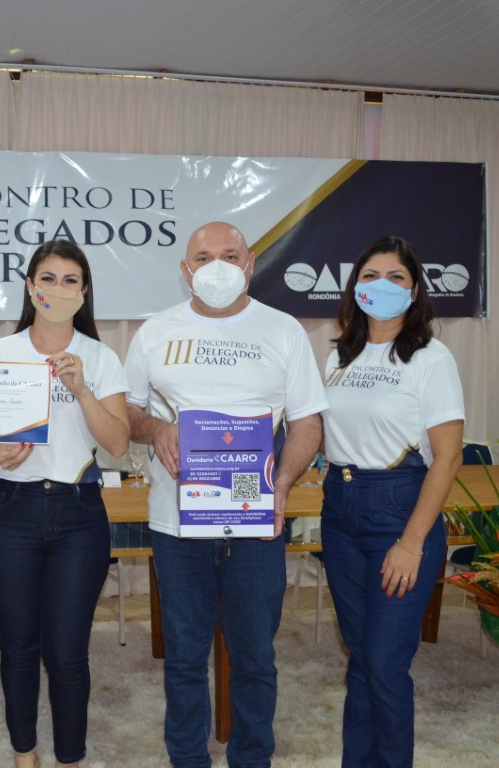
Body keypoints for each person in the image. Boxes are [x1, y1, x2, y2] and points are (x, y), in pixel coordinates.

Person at [124, 221, 327, 768]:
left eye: (230, 255)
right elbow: (127, 411)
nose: (217, 267)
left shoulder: (284, 330)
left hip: (257, 523)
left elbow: (308, 423)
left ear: (250, 263)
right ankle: (188, 759)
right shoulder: (155, 331)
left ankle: (252, 758)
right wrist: (156, 430)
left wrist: (280, 488)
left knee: (256, 657)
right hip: (177, 525)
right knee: (184, 658)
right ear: (185, 270)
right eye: (204, 257)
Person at [0, 240, 130, 768]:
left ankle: (69, 758)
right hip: (10, 510)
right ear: (29, 286)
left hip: (78, 514)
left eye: (69, 281)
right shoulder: (1, 352)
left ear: (83, 292)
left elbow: (118, 443)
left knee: (66, 652)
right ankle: (25, 755)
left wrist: (82, 391)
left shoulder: (100, 357)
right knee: (17, 645)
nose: (57, 289)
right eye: (47, 278)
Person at [319, 236, 464, 768]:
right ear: (355, 287)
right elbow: (317, 433)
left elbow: (447, 457)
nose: (382, 285)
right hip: (340, 509)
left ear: (415, 289)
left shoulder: (430, 357)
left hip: (400, 512)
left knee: (384, 662)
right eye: (370, 276)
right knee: (361, 655)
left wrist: (411, 542)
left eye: (396, 277)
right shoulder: (338, 355)